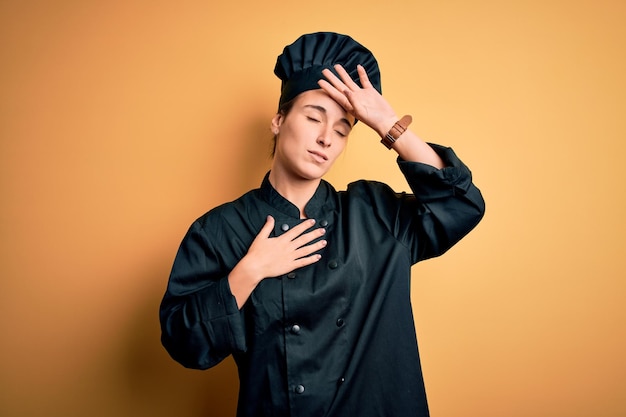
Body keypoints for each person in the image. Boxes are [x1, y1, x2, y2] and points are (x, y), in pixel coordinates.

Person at [160, 32, 485, 417]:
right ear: (279, 121)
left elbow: (462, 205)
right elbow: (183, 342)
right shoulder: (220, 229)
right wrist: (251, 270)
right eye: (313, 117)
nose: (325, 138)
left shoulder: (375, 213)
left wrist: (386, 123)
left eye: (343, 129)